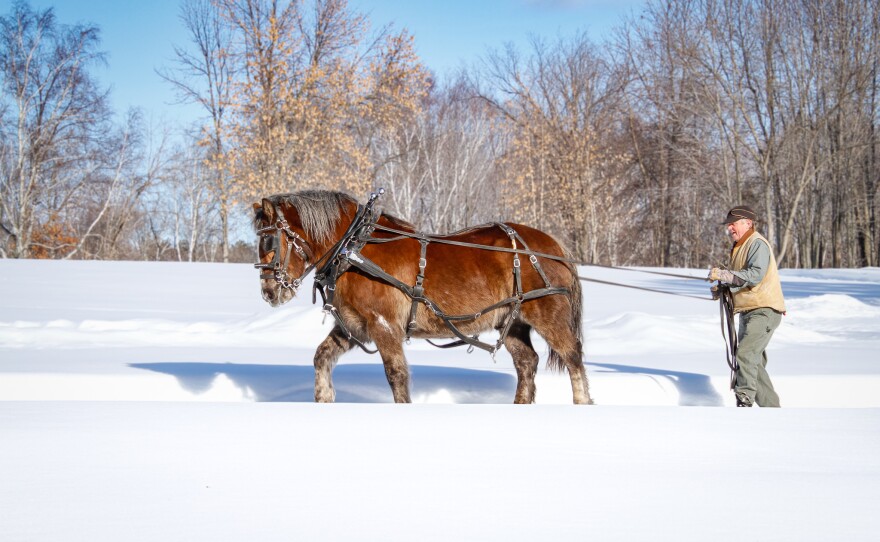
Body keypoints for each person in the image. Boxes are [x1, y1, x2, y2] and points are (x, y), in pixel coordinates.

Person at [709, 205, 786, 407]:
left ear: (748, 223)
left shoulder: (757, 244)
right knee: (753, 363)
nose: (730, 229)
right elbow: (740, 280)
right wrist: (724, 288)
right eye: (729, 225)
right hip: (750, 310)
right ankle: (773, 410)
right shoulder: (741, 246)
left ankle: (744, 401)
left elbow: (755, 275)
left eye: (733, 224)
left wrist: (725, 275)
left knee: (745, 355)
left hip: (763, 310)